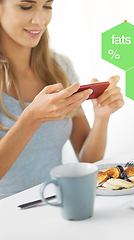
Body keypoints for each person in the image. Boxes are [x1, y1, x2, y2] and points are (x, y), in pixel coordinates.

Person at [0, 0, 124, 199]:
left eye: (47, 6)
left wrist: (102, 117)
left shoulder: (59, 67)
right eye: (26, 7)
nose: (40, 20)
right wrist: (32, 118)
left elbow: (87, 161)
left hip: (55, 204)